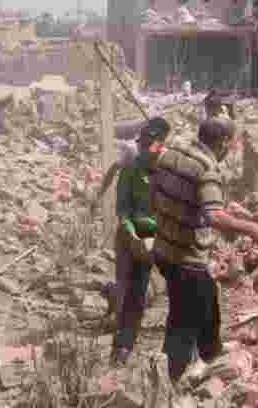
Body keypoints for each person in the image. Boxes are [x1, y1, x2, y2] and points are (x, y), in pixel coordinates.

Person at [149, 117, 258, 381]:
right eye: (231, 143)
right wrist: (254, 230)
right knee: (183, 319)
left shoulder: (174, 151)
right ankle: (170, 378)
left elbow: (156, 188)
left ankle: (211, 351)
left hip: (163, 248)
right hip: (184, 256)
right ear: (223, 143)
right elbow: (215, 217)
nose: (231, 148)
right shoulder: (207, 168)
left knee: (207, 294)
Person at [109, 117, 172, 366]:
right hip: (131, 238)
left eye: (150, 144)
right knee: (132, 290)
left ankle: (181, 351)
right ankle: (124, 345)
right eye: (142, 144)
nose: (145, 149)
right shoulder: (130, 169)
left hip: (163, 237)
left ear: (161, 145)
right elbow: (122, 210)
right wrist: (134, 236)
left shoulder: (171, 170)